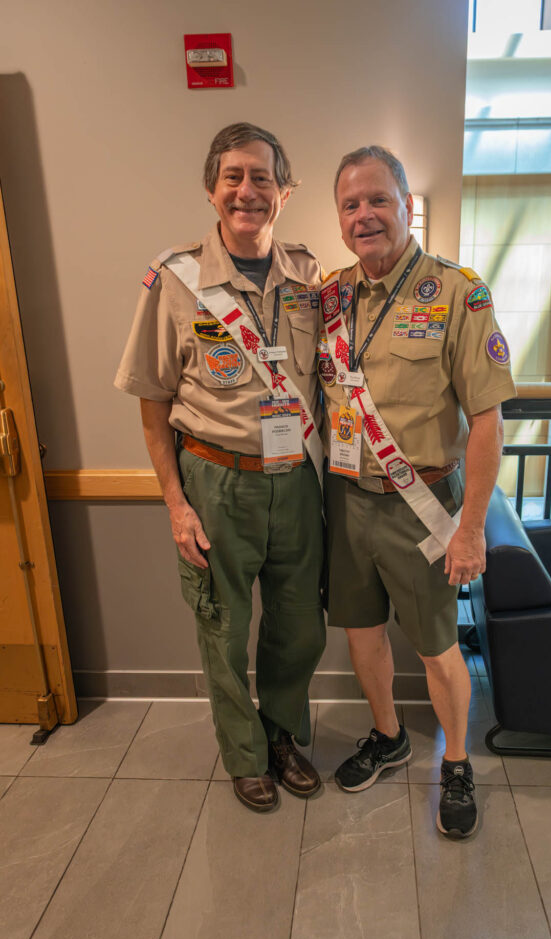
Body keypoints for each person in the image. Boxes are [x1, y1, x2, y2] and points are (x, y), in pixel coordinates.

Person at [115, 123, 325, 813]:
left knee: (299, 625)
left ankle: (281, 735)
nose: (247, 191)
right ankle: (243, 753)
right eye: (233, 176)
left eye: (262, 177)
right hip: (216, 480)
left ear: (284, 192)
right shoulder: (175, 280)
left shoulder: (309, 276)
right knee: (223, 627)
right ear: (212, 189)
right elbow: (152, 402)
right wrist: (177, 506)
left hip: (295, 480)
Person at [319, 145, 516, 838]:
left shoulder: (458, 292)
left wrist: (471, 528)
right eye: (350, 204)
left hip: (423, 505)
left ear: (406, 206)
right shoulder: (329, 297)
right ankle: (388, 735)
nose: (364, 215)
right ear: (339, 218)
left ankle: (456, 762)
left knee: (436, 647)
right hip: (346, 499)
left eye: (378, 199)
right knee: (362, 632)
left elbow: (488, 419)